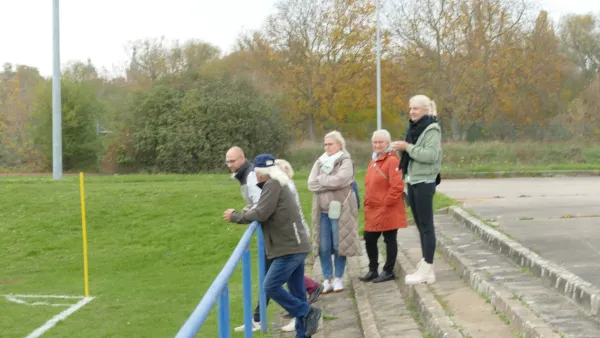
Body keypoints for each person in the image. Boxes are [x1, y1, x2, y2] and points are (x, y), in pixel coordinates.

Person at [224, 154, 322, 337]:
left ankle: (308, 312)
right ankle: (303, 332)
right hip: (296, 245)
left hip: (289, 248)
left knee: (270, 286)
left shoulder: (272, 184)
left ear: (260, 173)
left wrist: (236, 216)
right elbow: (264, 208)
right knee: (298, 292)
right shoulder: (279, 182)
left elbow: (261, 213)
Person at [391, 95, 442, 285]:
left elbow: (430, 155)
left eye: (416, 109)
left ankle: (427, 266)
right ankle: (426, 267)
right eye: (410, 108)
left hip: (424, 181)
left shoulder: (432, 129)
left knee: (426, 226)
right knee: (420, 225)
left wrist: (407, 147)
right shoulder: (413, 128)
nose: (412, 112)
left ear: (426, 110)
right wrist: (401, 149)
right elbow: (412, 153)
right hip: (412, 180)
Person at [308, 131, 361, 293]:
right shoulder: (320, 161)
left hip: (340, 210)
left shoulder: (345, 161)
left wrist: (322, 180)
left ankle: (338, 277)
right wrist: (331, 183)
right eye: (325, 144)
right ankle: (327, 278)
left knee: (340, 244)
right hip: (322, 211)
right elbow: (311, 184)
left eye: (330, 144)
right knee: (324, 246)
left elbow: (341, 179)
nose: (327, 147)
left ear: (339, 145)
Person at [275, 159, 324, 332]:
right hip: (296, 237)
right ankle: (301, 317)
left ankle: (302, 313)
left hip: (295, 238)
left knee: (282, 280)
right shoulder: (286, 186)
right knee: (292, 278)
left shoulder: (285, 188)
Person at [360, 129, 408, 283]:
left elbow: (397, 186)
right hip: (373, 208)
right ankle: (373, 270)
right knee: (369, 238)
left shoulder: (392, 160)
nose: (377, 144)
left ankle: (388, 270)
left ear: (388, 143)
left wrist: (386, 203)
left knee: (389, 238)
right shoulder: (374, 160)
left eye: (381, 142)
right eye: (375, 142)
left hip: (387, 208)